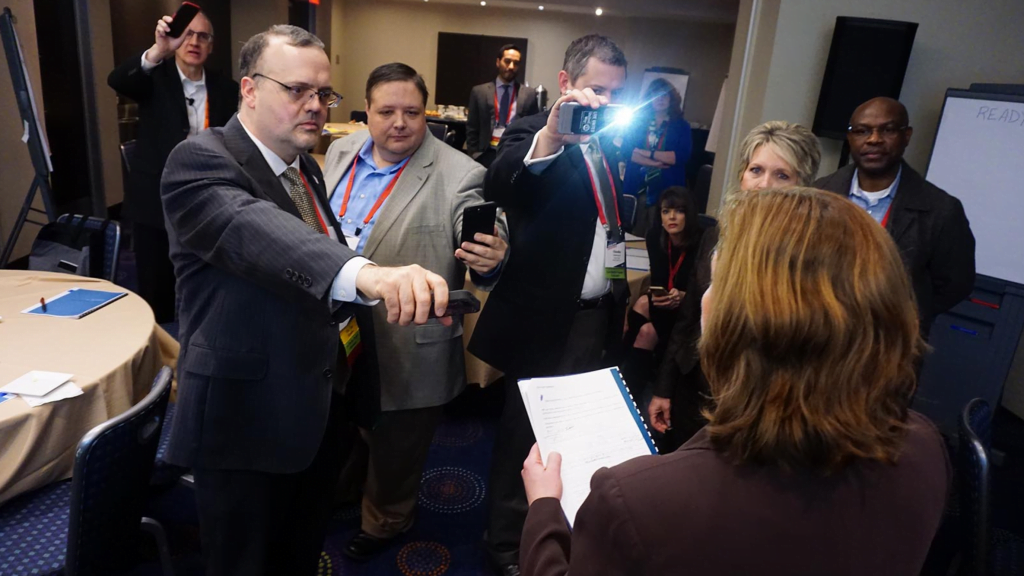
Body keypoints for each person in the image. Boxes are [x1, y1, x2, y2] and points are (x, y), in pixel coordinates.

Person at [520, 187, 950, 576]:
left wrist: (543, 509)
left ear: (746, 323)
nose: (704, 296)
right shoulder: (926, 449)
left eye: (716, 283)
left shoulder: (638, 503)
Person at [160, 26, 454, 576]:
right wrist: (369, 275)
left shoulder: (305, 167)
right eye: (297, 90)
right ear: (249, 89)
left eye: (324, 94)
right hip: (246, 422)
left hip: (317, 404)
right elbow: (257, 232)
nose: (315, 106)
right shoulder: (200, 160)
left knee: (298, 550)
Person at [321, 62, 509, 561]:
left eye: (412, 111)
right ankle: (348, 490)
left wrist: (491, 259)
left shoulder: (461, 173)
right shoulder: (339, 151)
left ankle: (387, 521)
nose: (399, 122)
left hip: (408, 337)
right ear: (366, 112)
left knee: (396, 445)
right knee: (345, 419)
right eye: (386, 111)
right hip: (337, 322)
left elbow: (482, 249)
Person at [467, 34, 630, 576]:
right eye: (596, 90)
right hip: (543, 323)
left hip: (597, 317)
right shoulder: (531, 131)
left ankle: (561, 535)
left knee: (579, 438)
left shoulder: (612, 141)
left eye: (615, 93)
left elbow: (609, 223)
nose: (605, 104)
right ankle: (507, 546)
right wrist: (551, 136)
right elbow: (502, 180)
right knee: (525, 441)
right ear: (566, 84)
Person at [650, 120, 821, 450]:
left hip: (756, 397)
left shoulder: (810, 251)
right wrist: (664, 386)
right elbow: (688, 318)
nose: (763, 185)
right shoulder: (716, 233)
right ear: (742, 174)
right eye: (756, 170)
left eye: (782, 175)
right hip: (694, 381)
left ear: (803, 185)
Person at [108, 10, 238, 323]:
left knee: (209, 285)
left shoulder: (227, 89)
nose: (194, 42)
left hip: (209, 198)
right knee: (157, 292)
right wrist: (158, 51)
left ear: (211, 45)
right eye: (187, 34)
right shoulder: (153, 78)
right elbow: (117, 80)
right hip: (156, 202)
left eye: (203, 36)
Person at [814, 97, 976, 337]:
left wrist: (903, 317)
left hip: (891, 344)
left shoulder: (941, 210)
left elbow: (955, 284)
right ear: (850, 137)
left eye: (888, 130)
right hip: (818, 335)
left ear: (906, 136)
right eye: (862, 131)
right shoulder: (818, 194)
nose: (874, 139)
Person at [619, 186, 703, 401]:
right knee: (634, 310)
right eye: (666, 211)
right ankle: (624, 371)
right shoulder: (656, 236)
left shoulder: (702, 241)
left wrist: (682, 296)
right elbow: (658, 280)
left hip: (690, 309)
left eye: (678, 211)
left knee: (645, 330)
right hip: (665, 302)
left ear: (688, 214)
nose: (671, 217)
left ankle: (629, 389)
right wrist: (658, 295)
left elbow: (702, 289)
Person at [621, 78, 692, 236]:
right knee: (631, 231)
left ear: (671, 99)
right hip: (636, 186)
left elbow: (679, 157)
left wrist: (647, 153)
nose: (660, 99)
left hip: (668, 188)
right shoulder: (637, 123)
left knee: (662, 234)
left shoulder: (681, 126)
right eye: (656, 95)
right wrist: (657, 162)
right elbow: (627, 151)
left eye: (665, 96)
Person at [466, 44, 540, 167]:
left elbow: (533, 128)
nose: (511, 67)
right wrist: (473, 153)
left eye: (516, 63)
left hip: (513, 153)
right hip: (484, 153)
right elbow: (472, 127)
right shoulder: (479, 92)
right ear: (498, 62)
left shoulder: (529, 94)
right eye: (507, 61)